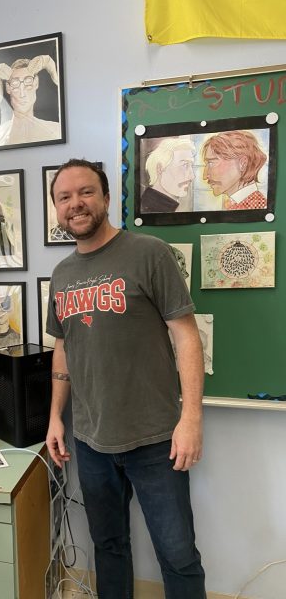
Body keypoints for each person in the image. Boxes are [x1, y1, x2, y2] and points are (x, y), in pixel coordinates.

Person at [45, 159, 206, 599]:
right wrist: (55, 417)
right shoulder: (61, 275)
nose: (75, 203)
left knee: (178, 554)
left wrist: (191, 418)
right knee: (109, 547)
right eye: (64, 197)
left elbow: (187, 337)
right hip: (92, 440)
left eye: (86, 192)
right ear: (57, 209)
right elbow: (63, 346)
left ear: (106, 197)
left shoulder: (149, 252)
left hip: (156, 438)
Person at [0, 55, 61, 146]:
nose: (22, 93)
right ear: (8, 88)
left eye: (28, 82)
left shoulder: (56, 130)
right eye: (15, 83)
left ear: (36, 83)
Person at [202, 130, 267, 210]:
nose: (204, 176)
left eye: (211, 163)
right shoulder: (241, 204)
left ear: (242, 163)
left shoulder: (254, 206)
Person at [141, 137, 195, 213]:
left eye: (191, 166)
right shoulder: (150, 209)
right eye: (185, 165)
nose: (192, 176)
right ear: (160, 168)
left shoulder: (163, 208)